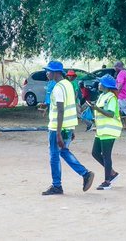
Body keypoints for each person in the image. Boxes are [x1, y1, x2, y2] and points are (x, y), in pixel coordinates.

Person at [43, 61, 93, 195]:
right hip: (68, 126)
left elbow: (60, 110)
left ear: (55, 72)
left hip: (57, 128)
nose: (47, 73)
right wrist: (71, 129)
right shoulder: (68, 85)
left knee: (54, 155)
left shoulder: (58, 88)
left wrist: (58, 132)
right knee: (63, 151)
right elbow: (70, 107)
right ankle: (85, 174)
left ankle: (57, 185)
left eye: (49, 71)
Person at [89, 75, 121, 189]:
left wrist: (97, 109)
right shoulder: (102, 96)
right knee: (95, 153)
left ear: (106, 86)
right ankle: (112, 173)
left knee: (106, 155)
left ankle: (107, 182)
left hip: (109, 129)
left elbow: (110, 113)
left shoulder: (111, 97)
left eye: (101, 83)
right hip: (101, 130)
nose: (99, 84)